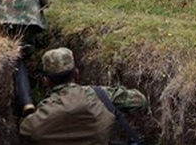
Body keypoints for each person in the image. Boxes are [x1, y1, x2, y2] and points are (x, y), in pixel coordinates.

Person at [20, 47, 148, 145]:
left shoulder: (43, 113)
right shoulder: (100, 95)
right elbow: (140, 101)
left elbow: (25, 132)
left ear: (46, 80)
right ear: (76, 73)